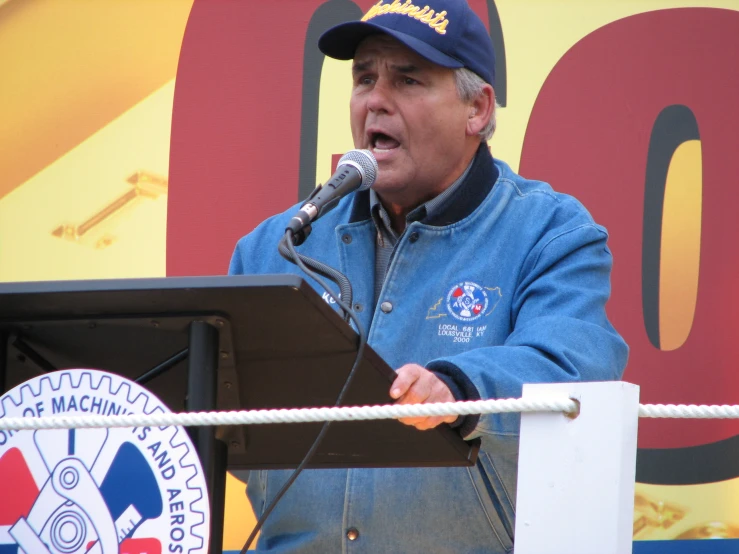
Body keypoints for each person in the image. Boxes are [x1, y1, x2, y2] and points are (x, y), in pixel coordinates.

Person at [228, 0, 629, 551]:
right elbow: (230, 418)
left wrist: (460, 389)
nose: (375, 100)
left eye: (408, 80)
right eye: (364, 77)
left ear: (478, 110)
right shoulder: (278, 246)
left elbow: (573, 366)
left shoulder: (550, 231)